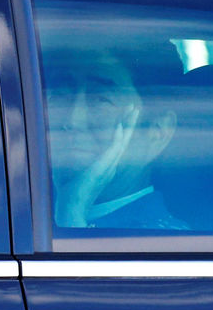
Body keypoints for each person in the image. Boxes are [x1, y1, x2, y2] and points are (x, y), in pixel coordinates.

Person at [44, 45, 188, 229]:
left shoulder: (167, 245)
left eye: (101, 100)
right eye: (60, 95)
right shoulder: (18, 213)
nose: (72, 120)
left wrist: (71, 212)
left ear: (158, 131)